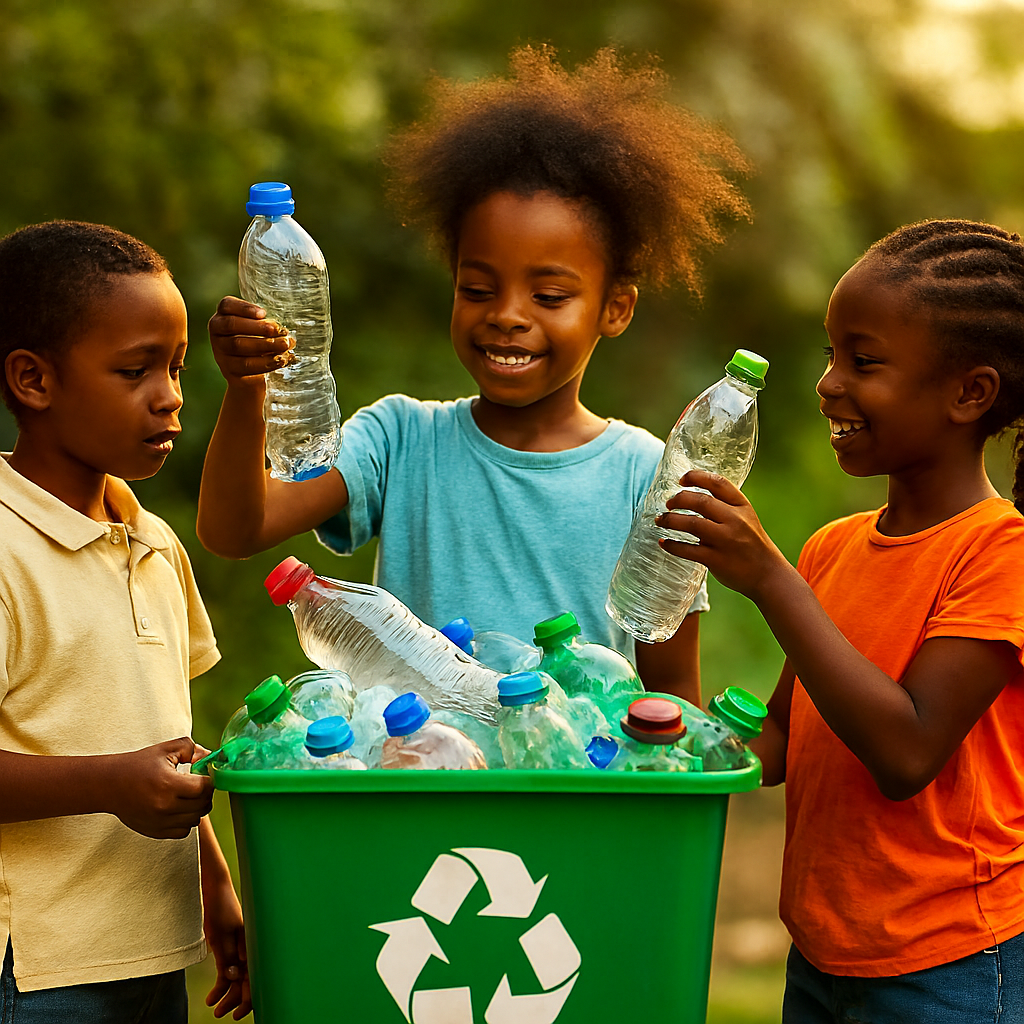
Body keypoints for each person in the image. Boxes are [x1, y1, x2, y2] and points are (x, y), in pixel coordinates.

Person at [197, 46, 750, 702]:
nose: (507, 317)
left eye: (549, 296)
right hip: (424, 786)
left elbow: (671, 697)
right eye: (479, 287)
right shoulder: (398, 440)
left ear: (616, 307)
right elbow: (235, 530)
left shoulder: (645, 476)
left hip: (573, 795)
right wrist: (246, 389)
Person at [659, 219, 1024, 1021]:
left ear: (971, 393)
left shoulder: (1001, 552)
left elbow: (906, 750)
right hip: (825, 954)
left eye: (864, 361)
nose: (828, 383)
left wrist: (770, 581)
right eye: (831, 355)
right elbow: (785, 742)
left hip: (950, 965)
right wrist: (662, 721)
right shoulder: (833, 548)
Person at [0, 221, 251, 1021]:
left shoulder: (153, 540)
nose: (171, 394)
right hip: (35, 972)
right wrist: (109, 783)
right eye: (135, 369)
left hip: (151, 952)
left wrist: (215, 887)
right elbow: (127, 772)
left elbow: (163, 729)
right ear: (34, 381)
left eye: (176, 368)